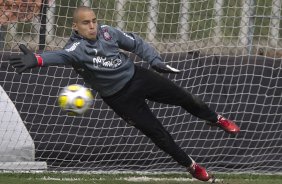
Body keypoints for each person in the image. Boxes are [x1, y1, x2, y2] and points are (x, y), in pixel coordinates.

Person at [8, 6, 240, 182]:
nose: (92, 26)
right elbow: (56, 56)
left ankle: (216, 119)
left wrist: (154, 60)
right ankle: (192, 167)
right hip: (120, 98)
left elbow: (137, 44)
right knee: (158, 134)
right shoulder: (76, 50)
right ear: (75, 27)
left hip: (139, 77)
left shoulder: (109, 33)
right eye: (86, 23)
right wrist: (37, 60)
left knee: (185, 97)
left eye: (94, 21)